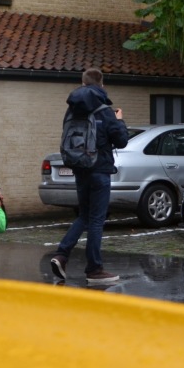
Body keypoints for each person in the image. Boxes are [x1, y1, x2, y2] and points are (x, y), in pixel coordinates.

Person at [48, 68, 128, 286]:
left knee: (84, 215)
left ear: (82, 84)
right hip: (100, 169)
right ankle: (94, 269)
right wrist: (119, 120)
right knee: (96, 220)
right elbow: (121, 141)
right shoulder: (105, 110)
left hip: (80, 168)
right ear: (101, 84)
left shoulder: (72, 110)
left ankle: (61, 255)